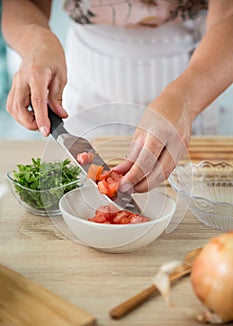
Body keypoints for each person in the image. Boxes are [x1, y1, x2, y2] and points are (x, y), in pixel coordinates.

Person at [2, 0, 233, 193]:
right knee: (82, 195)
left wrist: (185, 99)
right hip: (86, 82)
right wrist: (37, 42)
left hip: (196, 73)